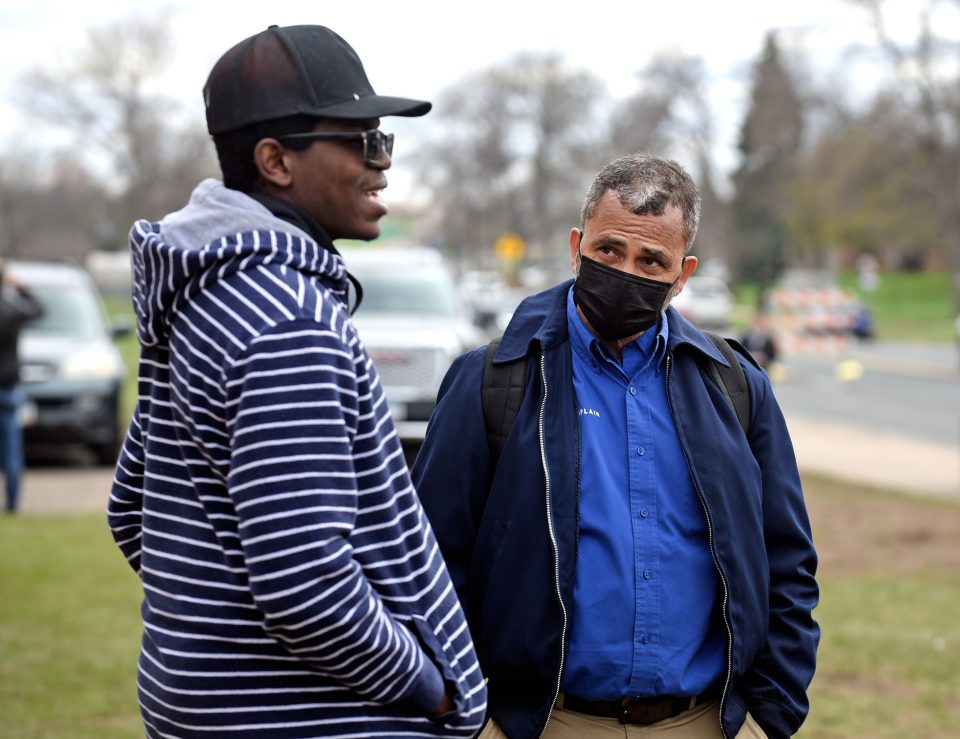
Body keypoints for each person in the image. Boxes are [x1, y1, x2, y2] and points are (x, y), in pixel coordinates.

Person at [107, 25, 486, 738]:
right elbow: (305, 585)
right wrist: (428, 688)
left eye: (385, 140)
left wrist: (216, 636)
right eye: (361, 140)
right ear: (276, 161)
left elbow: (133, 508)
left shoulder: (201, 290)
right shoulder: (286, 321)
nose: (383, 164)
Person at [412, 153, 819, 739]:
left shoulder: (735, 387)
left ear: (683, 275)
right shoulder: (493, 379)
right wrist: (474, 723)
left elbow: (788, 562)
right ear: (577, 244)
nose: (626, 270)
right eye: (609, 250)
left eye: (651, 259)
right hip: (540, 723)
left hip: (703, 723)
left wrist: (768, 717)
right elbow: (429, 566)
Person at [0, 258, 43, 513]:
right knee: (11, 453)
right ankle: (13, 504)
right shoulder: (11, 310)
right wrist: (21, 287)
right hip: (7, 389)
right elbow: (39, 309)